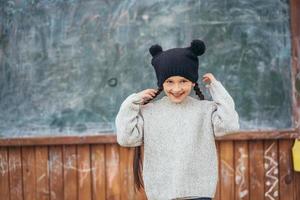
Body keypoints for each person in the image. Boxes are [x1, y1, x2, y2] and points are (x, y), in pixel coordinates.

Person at [115, 39, 239, 200]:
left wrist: (216, 88)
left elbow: (230, 125)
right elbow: (126, 138)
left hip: (199, 193)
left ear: (193, 81)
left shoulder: (205, 110)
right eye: (169, 82)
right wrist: (132, 102)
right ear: (161, 83)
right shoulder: (149, 112)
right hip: (161, 195)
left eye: (183, 81)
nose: (176, 88)